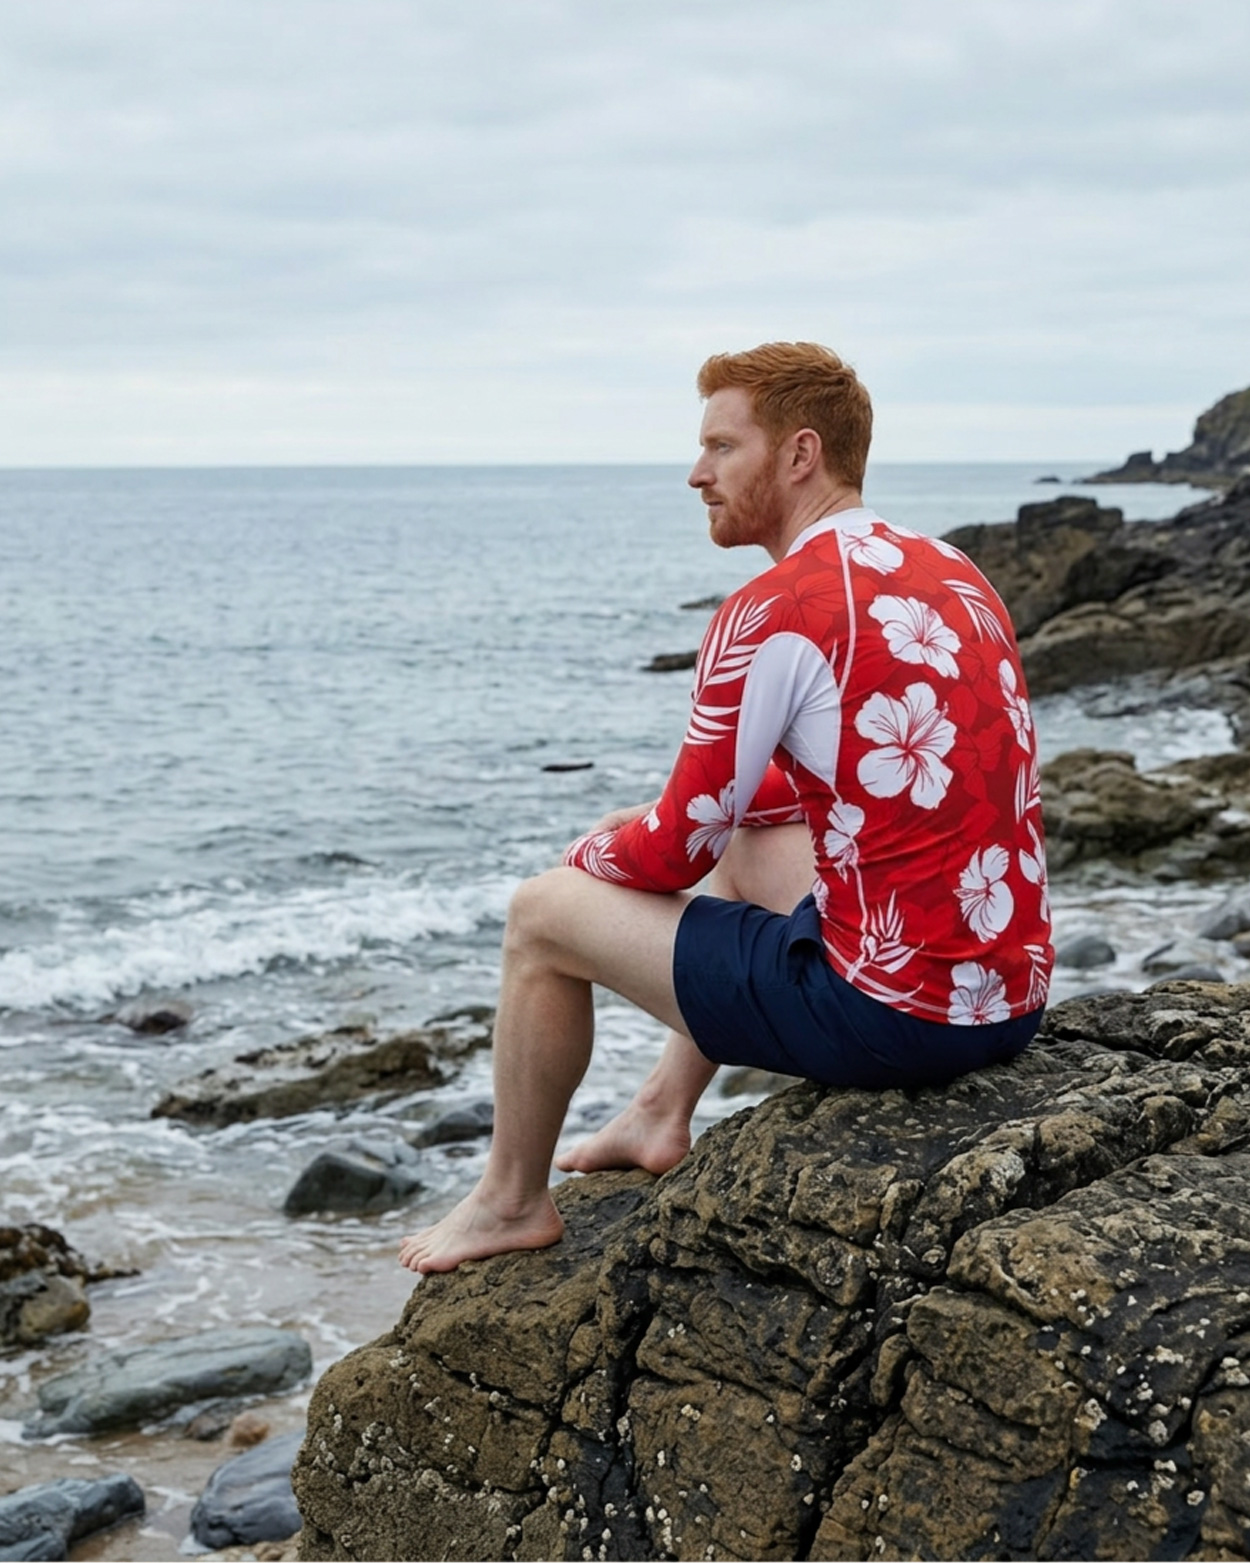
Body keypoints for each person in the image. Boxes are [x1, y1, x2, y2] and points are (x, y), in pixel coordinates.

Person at [399, 341, 1053, 1276]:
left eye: (721, 447)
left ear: (798, 454)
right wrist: (689, 826)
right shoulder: (952, 571)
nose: (696, 473)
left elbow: (672, 851)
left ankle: (509, 1199)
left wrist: (593, 855)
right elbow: (883, 768)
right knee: (744, 844)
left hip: (894, 1015)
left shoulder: (772, 609)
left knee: (540, 919)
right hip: (1010, 997)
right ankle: (664, 1110)